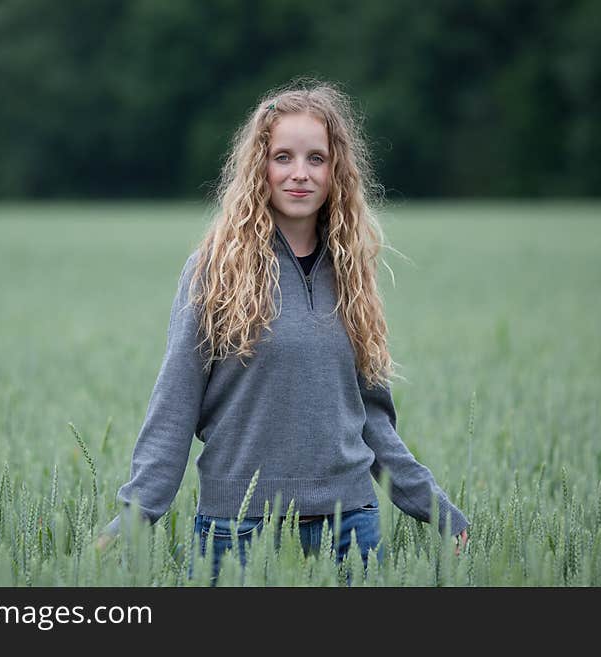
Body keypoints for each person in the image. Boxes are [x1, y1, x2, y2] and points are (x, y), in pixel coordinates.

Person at [96, 79, 469, 583]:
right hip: (239, 531)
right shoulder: (215, 270)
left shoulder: (353, 275)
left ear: (336, 171)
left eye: (316, 158)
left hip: (350, 529)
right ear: (259, 168)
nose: (300, 174)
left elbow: (373, 422)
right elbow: (174, 404)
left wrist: (436, 509)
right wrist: (134, 519)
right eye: (283, 157)